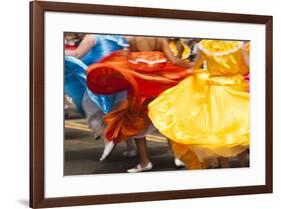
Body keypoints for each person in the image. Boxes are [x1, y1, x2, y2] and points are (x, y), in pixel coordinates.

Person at [87, 36, 193, 172]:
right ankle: (177, 157)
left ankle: (144, 162)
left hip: (138, 91)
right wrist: (191, 67)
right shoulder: (160, 39)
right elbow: (174, 60)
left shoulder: (133, 40)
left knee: (137, 127)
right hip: (159, 87)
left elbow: (124, 60)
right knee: (166, 122)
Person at [148, 40, 250, 169]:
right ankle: (243, 166)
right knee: (241, 127)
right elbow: (249, 66)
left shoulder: (205, 45)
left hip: (215, 90)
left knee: (217, 133)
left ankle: (225, 169)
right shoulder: (238, 45)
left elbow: (195, 67)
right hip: (236, 88)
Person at [64, 34, 136, 161]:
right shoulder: (125, 36)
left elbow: (77, 55)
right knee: (120, 114)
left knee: (92, 111)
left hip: (101, 79)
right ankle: (131, 148)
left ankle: (108, 140)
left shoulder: (92, 36)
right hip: (122, 78)